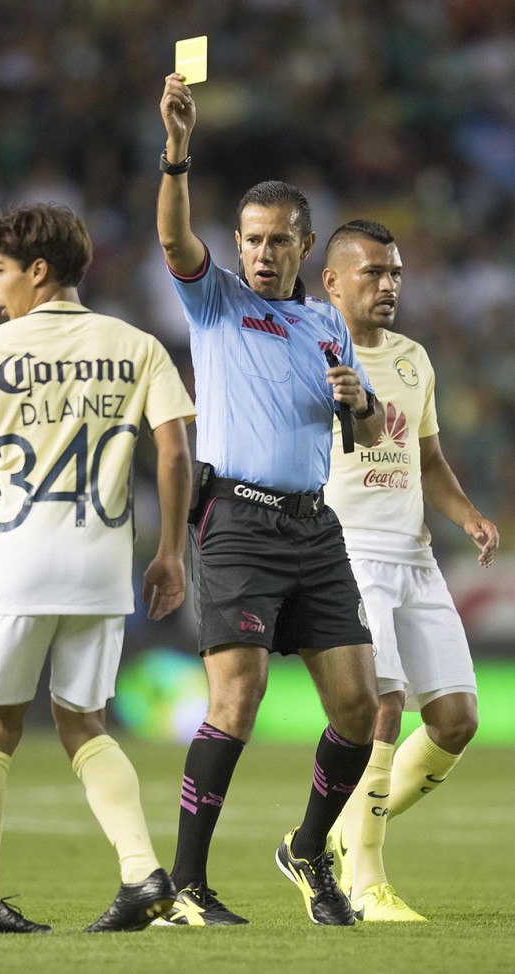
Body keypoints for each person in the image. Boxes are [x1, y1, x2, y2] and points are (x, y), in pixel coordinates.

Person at [153, 73, 385, 928]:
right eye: (249, 238)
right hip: (238, 523)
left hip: (311, 524)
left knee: (361, 709)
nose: (259, 253)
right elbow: (175, 238)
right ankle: (186, 886)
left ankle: (306, 849)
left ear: (305, 245)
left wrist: (355, 404)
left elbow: (357, 432)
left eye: (276, 241)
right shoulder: (214, 301)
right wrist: (177, 149)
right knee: (236, 700)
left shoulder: (327, 326)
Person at [0, 202, 196, 934]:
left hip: (20, 556)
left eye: (0, 270)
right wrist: (170, 551)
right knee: (84, 721)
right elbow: (175, 453)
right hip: (101, 563)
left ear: (38, 270)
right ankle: (144, 873)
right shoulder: (137, 344)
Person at [321, 219, 499, 922]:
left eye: (395, 273)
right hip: (348, 549)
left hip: (414, 552)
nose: (389, 284)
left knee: (456, 719)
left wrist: (467, 515)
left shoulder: (412, 358)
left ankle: (328, 836)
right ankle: (366, 885)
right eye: (373, 273)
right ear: (332, 280)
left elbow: (425, 460)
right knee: (384, 706)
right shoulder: (308, 351)